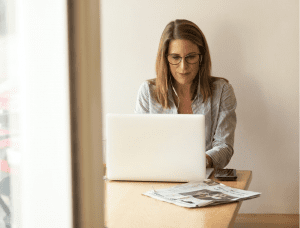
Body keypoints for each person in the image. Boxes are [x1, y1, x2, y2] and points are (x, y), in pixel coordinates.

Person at [134, 19, 237, 170]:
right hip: (158, 175)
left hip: (203, 177)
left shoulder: (222, 91)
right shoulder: (148, 92)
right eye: (175, 57)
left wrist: (202, 161)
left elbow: (224, 147)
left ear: (201, 57)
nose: (183, 67)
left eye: (190, 57)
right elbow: (139, 145)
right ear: (165, 58)